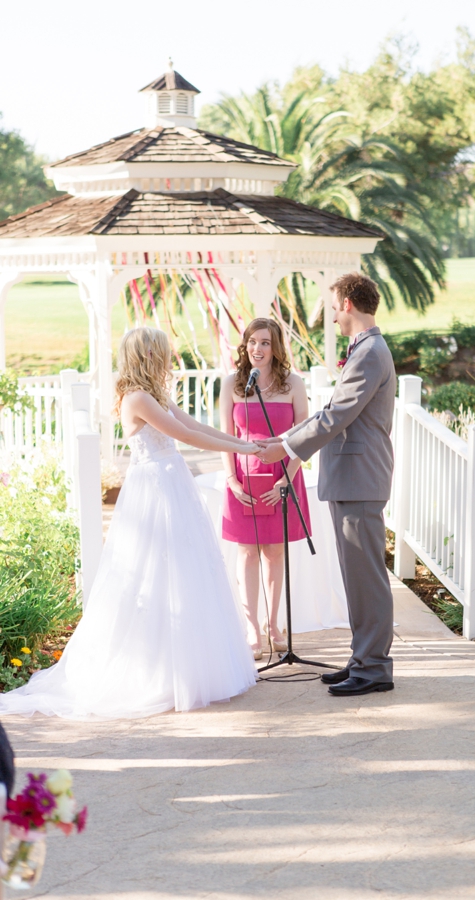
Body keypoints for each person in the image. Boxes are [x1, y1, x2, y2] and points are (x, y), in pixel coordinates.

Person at [0, 327, 261, 720]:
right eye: (164, 352)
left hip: (172, 485)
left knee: (185, 574)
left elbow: (200, 427)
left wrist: (242, 441)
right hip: (155, 491)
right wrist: (240, 448)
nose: (170, 358)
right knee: (153, 577)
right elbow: (186, 435)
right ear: (149, 355)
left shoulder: (155, 395)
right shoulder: (137, 398)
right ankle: (155, 672)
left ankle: (187, 666)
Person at [258, 273, 396, 696]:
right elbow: (335, 412)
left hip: (360, 479)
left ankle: (373, 668)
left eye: (334, 306)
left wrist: (286, 446)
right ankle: (362, 658)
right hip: (350, 479)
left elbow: (336, 415)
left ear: (350, 304)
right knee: (356, 576)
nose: (333, 315)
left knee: (367, 577)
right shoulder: (364, 350)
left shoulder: (371, 352)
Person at [220, 318, 312, 660]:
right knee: (246, 553)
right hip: (243, 478)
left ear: (276, 348)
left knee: (274, 552)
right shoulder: (233, 383)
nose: (257, 349)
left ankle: (274, 625)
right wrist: (231, 480)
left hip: (281, 475)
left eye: (265, 343)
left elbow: (304, 436)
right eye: (251, 342)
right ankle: (251, 628)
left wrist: (285, 479)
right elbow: (226, 438)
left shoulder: (294, 385)